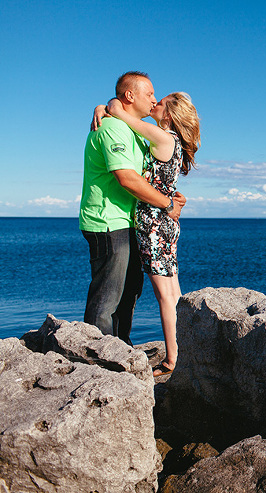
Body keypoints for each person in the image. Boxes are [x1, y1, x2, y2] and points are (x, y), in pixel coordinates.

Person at [93, 90, 200, 377]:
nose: (154, 103)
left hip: (153, 222)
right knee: (174, 291)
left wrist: (107, 105)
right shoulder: (173, 142)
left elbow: (121, 114)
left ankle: (173, 361)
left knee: (165, 294)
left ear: (169, 114)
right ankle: (183, 352)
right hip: (165, 221)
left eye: (160, 102)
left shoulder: (161, 136)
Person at [80, 71, 186, 350]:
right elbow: (127, 177)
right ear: (130, 96)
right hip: (107, 221)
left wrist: (106, 106)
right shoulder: (113, 128)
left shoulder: (133, 130)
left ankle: (120, 351)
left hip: (131, 220)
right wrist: (167, 204)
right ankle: (95, 358)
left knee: (128, 294)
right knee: (107, 298)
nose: (153, 100)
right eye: (149, 94)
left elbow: (151, 175)